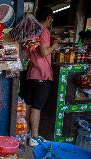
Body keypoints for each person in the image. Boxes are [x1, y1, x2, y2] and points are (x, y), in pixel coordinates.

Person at [24, 7, 59, 146]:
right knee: (37, 107)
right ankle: (34, 136)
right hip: (42, 74)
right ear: (49, 18)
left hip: (32, 73)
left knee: (29, 104)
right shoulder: (44, 30)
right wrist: (54, 46)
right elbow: (44, 52)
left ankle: (26, 132)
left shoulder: (32, 30)